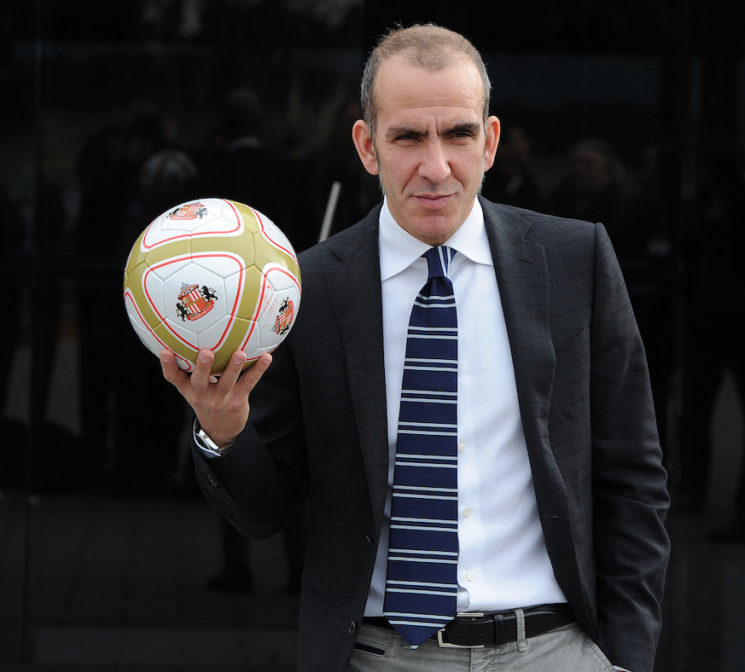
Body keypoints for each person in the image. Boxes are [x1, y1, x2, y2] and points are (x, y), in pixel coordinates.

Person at [161, 24, 669, 672]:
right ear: (367, 146)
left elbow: (634, 480)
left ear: (489, 141)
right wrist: (224, 431)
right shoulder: (306, 289)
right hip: (380, 656)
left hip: (557, 651)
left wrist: (626, 657)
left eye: (458, 134)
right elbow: (265, 513)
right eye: (408, 137)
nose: (436, 166)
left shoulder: (575, 261)